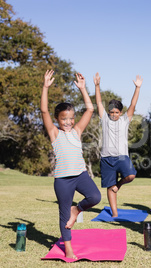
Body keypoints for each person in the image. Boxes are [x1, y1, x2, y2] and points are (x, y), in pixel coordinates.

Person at [41, 70, 101, 259]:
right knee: (64, 214)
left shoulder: (76, 130)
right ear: (57, 119)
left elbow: (90, 109)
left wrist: (83, 89)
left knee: (95, 197)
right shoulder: (54, 133)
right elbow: (43, 110)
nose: (68, 121)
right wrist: (45, 87)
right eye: (64, 118)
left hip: (81, 175)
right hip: (63, 180)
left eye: (71, 117)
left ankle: (78, 209)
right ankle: (68, 249)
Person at [94, 72, 142, 217]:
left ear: (120, 112)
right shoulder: (104, 119)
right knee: (110, 186)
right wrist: (97, 85)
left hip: (122, 157)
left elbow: (133, 104)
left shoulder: (124, 120)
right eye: (111, 112)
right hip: (106, 158)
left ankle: (119, 185)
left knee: (131, 175)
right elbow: (98, 102)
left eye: (116, 112)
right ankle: (114, 214)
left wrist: (137, 88)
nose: (113, 114)